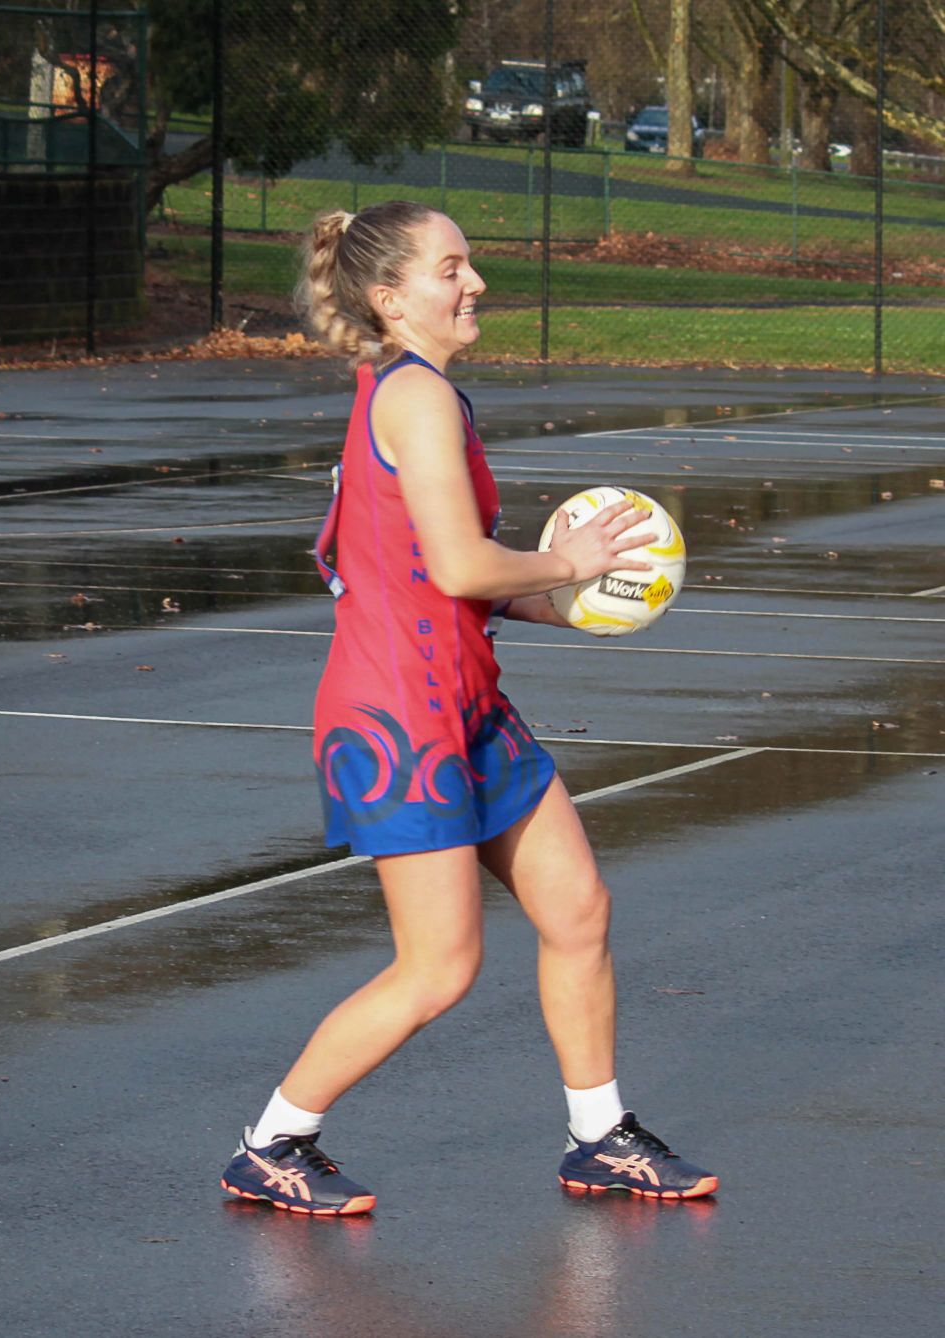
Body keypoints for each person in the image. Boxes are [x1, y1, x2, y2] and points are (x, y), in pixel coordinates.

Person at [220, 200, 717, 1215]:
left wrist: (571, 601)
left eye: (470, 263)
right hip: (400, 719)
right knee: (439, 967)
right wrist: (565, 560)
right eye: (452, 268)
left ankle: (598, 1138)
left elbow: (443, 576)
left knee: (576, 909)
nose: (474, 282)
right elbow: (457, 561)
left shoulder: (420, 393)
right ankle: (273, 1143)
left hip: (463, 700)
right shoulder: (414, 400)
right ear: (389, 297)